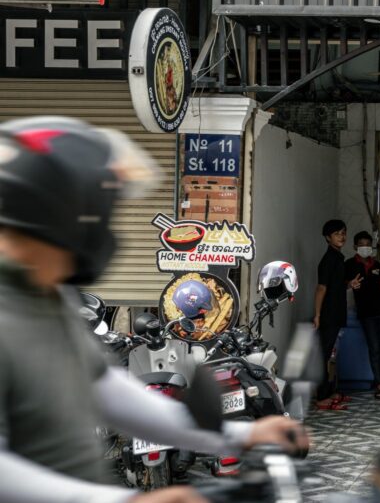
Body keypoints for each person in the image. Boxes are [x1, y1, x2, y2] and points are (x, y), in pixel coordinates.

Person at [0, 117, 308, 503]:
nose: (106, 228)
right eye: (100, 210)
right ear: (60, 213)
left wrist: (241, 434)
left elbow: (112, 395)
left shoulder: (50, 300)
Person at [347, 231, 380, 400]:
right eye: (362, 245)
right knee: (375, 348)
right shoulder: (349, 264)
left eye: (368, 245)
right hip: (366, 313)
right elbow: (342, 284)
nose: (365, 248)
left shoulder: (376, 264)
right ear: (355, 247)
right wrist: (350, 284)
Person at [313, 218, 357, 408]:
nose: (342, 237)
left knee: (330, 354)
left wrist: (349, 284)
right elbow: (321, 288)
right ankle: (322, 398)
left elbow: (336, 286)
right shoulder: (329, 259)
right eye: (337, 234)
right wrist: (317, 315)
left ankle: (330, 392)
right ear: (327, 237)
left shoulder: (338, 258)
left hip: (336, 313)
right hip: (328, 315)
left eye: (343, 233)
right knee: (323, 356)